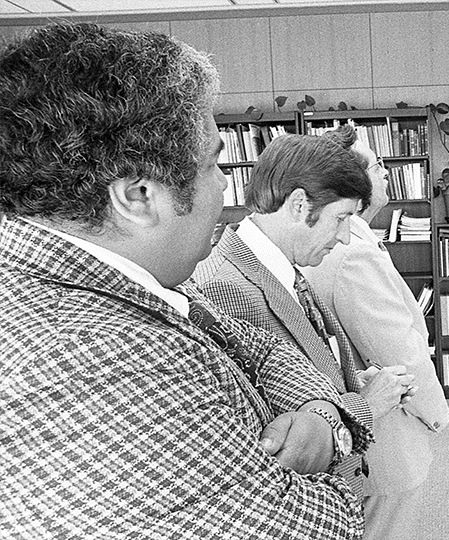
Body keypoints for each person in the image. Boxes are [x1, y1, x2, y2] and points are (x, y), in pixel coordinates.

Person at [0, 22, 369, 538]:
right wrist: (338, 434)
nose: (226, 183)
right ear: (138, 196)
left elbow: (257, 347)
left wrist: (319, 413)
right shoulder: (86, 362)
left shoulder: (130, 278)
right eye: (214, 161)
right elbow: (320, 526)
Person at [192, 133, 415, 497]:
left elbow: (288, 381)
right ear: (298, 205)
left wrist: (352, 381)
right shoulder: (225, 288)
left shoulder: (280, 266)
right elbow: (265, 439)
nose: (345, 237)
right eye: (341, 218)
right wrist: (367, 404)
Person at [300, 124, 449, 540]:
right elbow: (400, 352)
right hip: (385, 435)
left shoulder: (350, 239)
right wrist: (436, 415)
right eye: (378, 165)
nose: (386, 172)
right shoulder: (354, 254)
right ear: (352, 180)